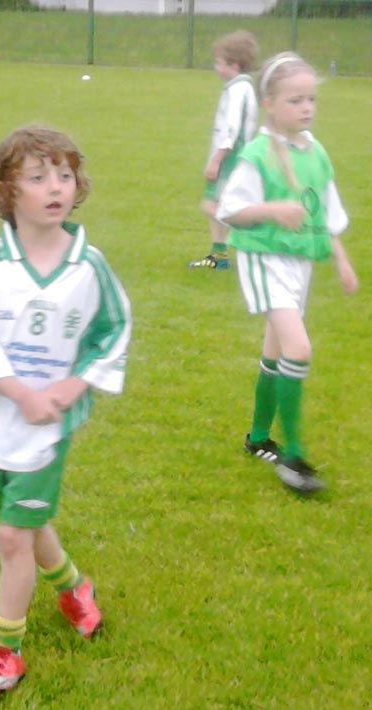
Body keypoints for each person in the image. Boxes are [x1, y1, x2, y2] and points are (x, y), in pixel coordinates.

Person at [0, 125, 132, 693]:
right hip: (3, 415)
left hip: (50, 425)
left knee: (11, 536)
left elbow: (115, 328)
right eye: (38, 176)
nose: (55, 186)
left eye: (65, 175)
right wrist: (20, 393)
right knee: (29, 520)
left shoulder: (88, 265)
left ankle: (4, 651)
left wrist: (71, 388)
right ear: (7, 190)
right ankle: (75, 588)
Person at [217, 52, 358, 491]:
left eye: (311, 98)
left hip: (298, 262)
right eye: (296, 100)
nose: (307, 108)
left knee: (277, 352)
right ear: (271, 104)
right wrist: (274, 209)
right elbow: (231, 211)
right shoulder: (258, 154)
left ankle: (259, 438)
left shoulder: (316, 152)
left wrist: (341, 258)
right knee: (298, 347)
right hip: (264, 257)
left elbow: (328, 213)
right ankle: (294, 456)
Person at [189, 30, 259, 270]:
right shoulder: (241, 88)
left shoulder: (237, 90)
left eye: (219, 62)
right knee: (218, 205)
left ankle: (253, 240)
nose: (216, 67)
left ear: (234, 64)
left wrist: (216, 160)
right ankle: (219, 256)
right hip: (236, 157)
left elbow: (232, 130)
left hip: (230, 158)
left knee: (213, 206)